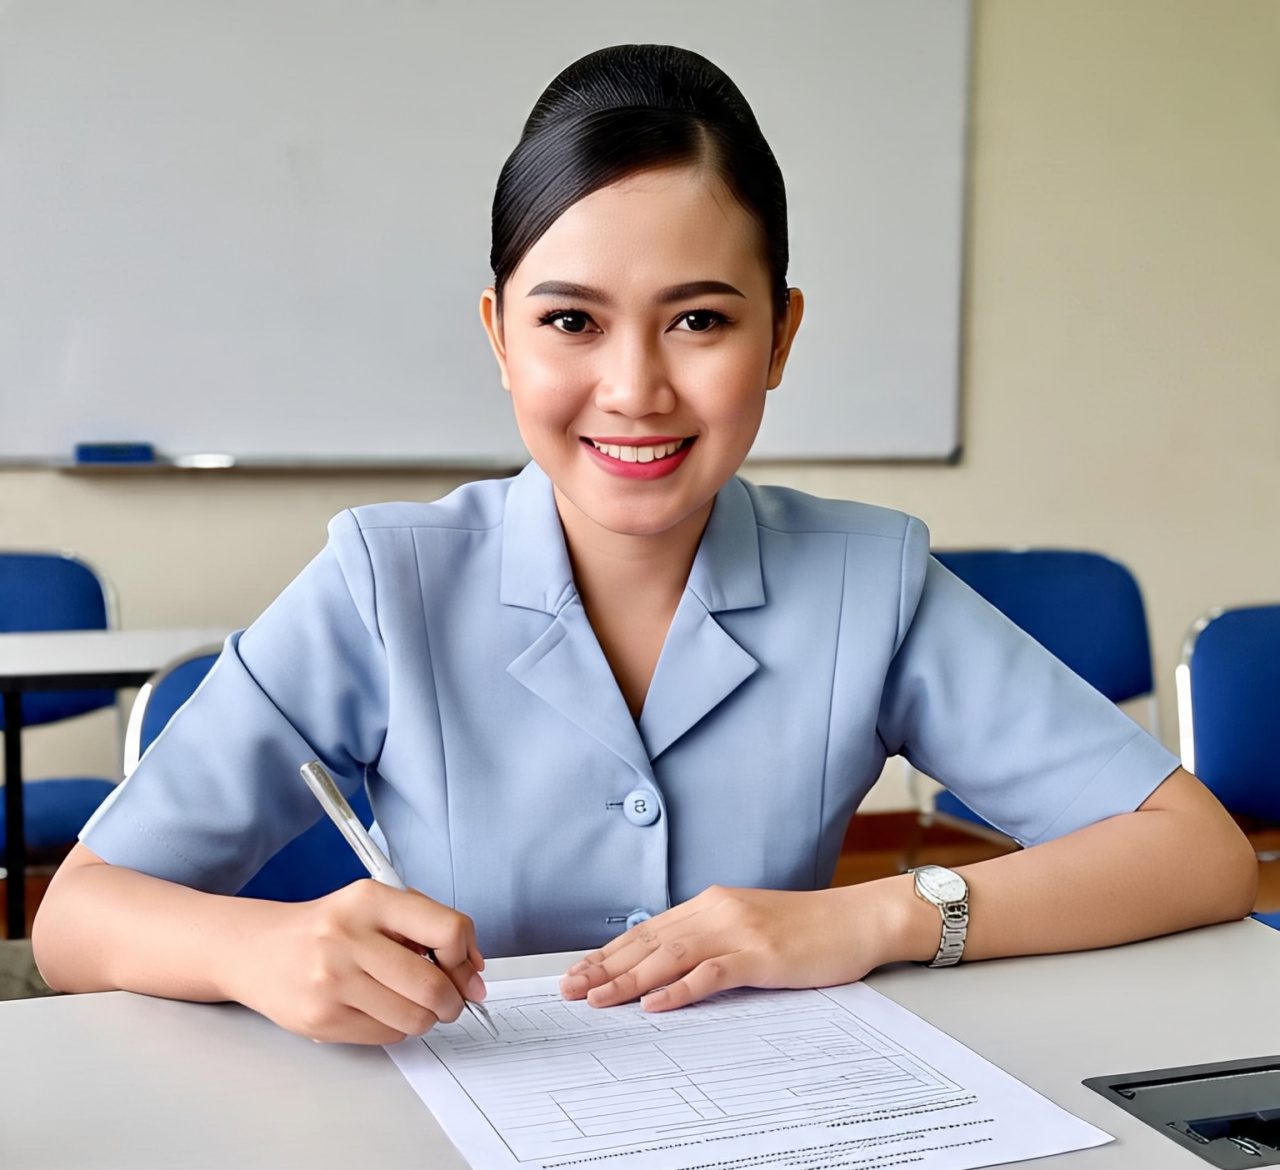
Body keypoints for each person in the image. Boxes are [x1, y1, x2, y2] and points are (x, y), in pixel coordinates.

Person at [33, 45, 1254, 1044]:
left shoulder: (867, 580)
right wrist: (260, 946)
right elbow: (77, 918)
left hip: (783, 1137)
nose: (634, 387)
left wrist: (872, 917)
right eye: (570, 318)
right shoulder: (381, 578)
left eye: (700, 321)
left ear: (778, 338)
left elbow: (1193, 853)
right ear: (500, 335)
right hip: (466, 1148)